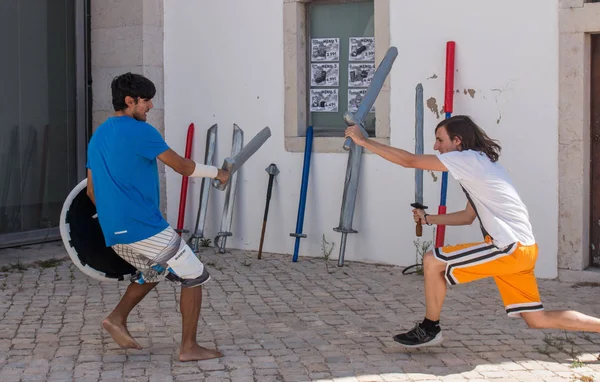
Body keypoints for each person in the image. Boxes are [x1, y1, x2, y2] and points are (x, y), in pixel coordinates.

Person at [344, 115, 600, 348]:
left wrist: (363, 141)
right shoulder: (481, 165)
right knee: (537, 319)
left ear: (458, 141)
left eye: (440, 140)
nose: (436, 147)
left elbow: (409, 161)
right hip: (523, 249)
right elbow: (468, 217)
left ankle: (430, 328)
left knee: (433, 260)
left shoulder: (466, 159)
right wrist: (429, 219)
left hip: (508, 248)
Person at [86, 72, 229, 361]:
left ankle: (116, 319)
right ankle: (189, 347)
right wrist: (219, 173)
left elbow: (91, 190)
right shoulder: (141, 132)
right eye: (146, 101)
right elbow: (183, 167)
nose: (150, 106)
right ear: (130, 101)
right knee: (194, 275)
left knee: (155, 270)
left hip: (113, 228)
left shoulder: (98, 135)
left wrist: (115, 216)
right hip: (142, 225)